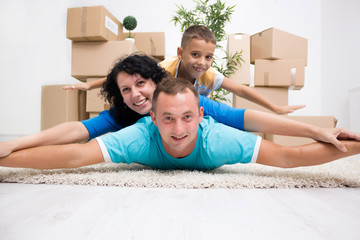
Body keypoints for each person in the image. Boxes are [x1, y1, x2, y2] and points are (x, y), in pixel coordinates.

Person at [0, 54, 357, 158]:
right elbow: (77, 131)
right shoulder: (124, 116)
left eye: (141, 84)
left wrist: (315, 130)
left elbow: (247, 118)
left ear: (158, 84)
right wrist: (14, 143)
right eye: (126, 90)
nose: (136, 94)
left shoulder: (193, 105)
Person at [1, 77, 360, 171]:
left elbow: (284, 157)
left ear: (201, 116)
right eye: (168, 119)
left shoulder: (218, 139)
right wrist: (7, 153)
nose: (178, 129)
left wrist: (341, 140)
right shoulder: (137, 137)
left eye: (188, 117)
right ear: (153, 118)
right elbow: (74, 156)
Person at [68, 25, 305, 114]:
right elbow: (126, 74)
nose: (201, 62)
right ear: (181, 53)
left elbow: (241, 91)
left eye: (208, 56)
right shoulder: (164, 69)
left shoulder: (209, 75)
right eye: (195, 54)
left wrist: (275, 107)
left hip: (197, 112)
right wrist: (89, 84)